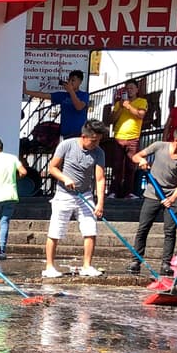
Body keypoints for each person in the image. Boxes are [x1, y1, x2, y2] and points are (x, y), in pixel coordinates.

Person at [42, 119, 108, 278]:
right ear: (84, 136)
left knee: (90, 229)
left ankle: (87, 266)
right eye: (93, 140)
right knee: (55, 230)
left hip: (85, 194)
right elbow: (52, 168)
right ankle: (49, 267)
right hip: (64, 194)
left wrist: (100, 203)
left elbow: (100, 178)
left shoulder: (99, 152)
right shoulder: (67, 145)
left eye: (98, 140)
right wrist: (65, 178)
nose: (95, 144)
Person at [129, 125, 177, 276]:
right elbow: (136, 156)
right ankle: (136, 260)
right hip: (152, 194)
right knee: (143, 228)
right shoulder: (159, 146)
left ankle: (166, 264)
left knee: (170, 231)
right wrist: (142, 161)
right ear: (176, 140)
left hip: (172, 197)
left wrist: (172, 199)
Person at [0, 137, 27, 260]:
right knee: (4, 222)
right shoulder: (12, 158)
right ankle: (2, 251)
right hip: (11, 195)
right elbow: (23, 172)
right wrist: (15, 178)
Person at [109, 78, 147, 198]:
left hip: (133, 138)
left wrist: (129, 106)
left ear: (136, 89)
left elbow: (140, 115)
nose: (129, 91)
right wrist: (120, 106)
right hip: (119, 137)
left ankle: (129, 192)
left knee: (131, 166)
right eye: (127, 89)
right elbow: (111, 120)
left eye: (132, 88)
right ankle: (114, 191)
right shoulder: (119, 103)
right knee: (117, 166)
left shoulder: (142, 101)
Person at [24, 70, 89, 139]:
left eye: (73, 80)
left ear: (80, 82)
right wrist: (26, 91)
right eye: (69, 80)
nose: (70, 83)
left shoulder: (84, 95)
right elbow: (44, 95)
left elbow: (78, 107)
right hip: (66, 133)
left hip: (79, 133)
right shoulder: (62, 95)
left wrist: (71, 91)